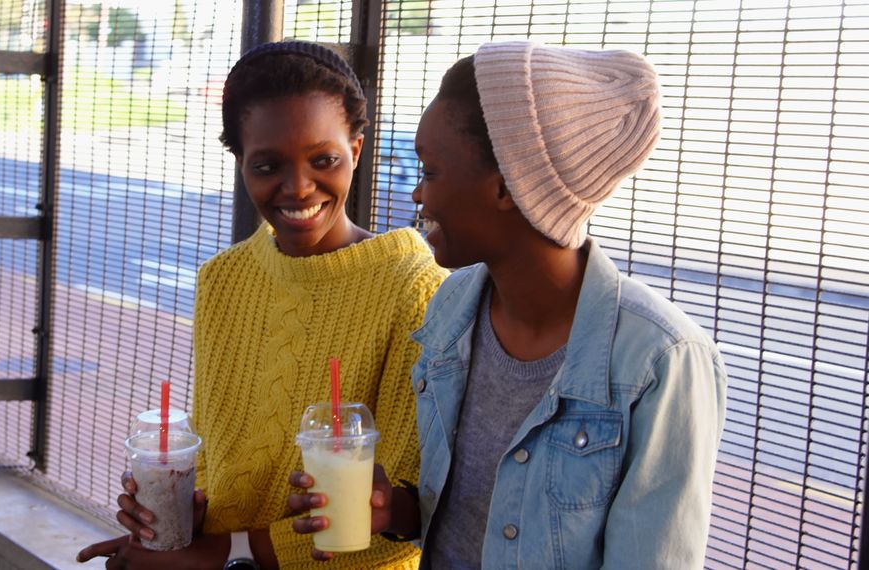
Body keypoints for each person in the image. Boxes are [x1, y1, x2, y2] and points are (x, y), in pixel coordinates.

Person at [291, 41, 728, 568]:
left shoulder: (661, 360)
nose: (417, 197)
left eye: (430, 171)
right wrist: (396, 510)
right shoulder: (452, 307)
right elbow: (467, 520)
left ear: (505, 188)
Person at [77, 41, 447, 569]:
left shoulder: (413, 288)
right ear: (240, 162)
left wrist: (225, 553)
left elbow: (391, 518)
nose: (298, 188)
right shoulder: (223, 280)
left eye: (324, 160)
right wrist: (173, 521)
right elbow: (215, 460)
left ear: (357, 151)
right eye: (268, 165)